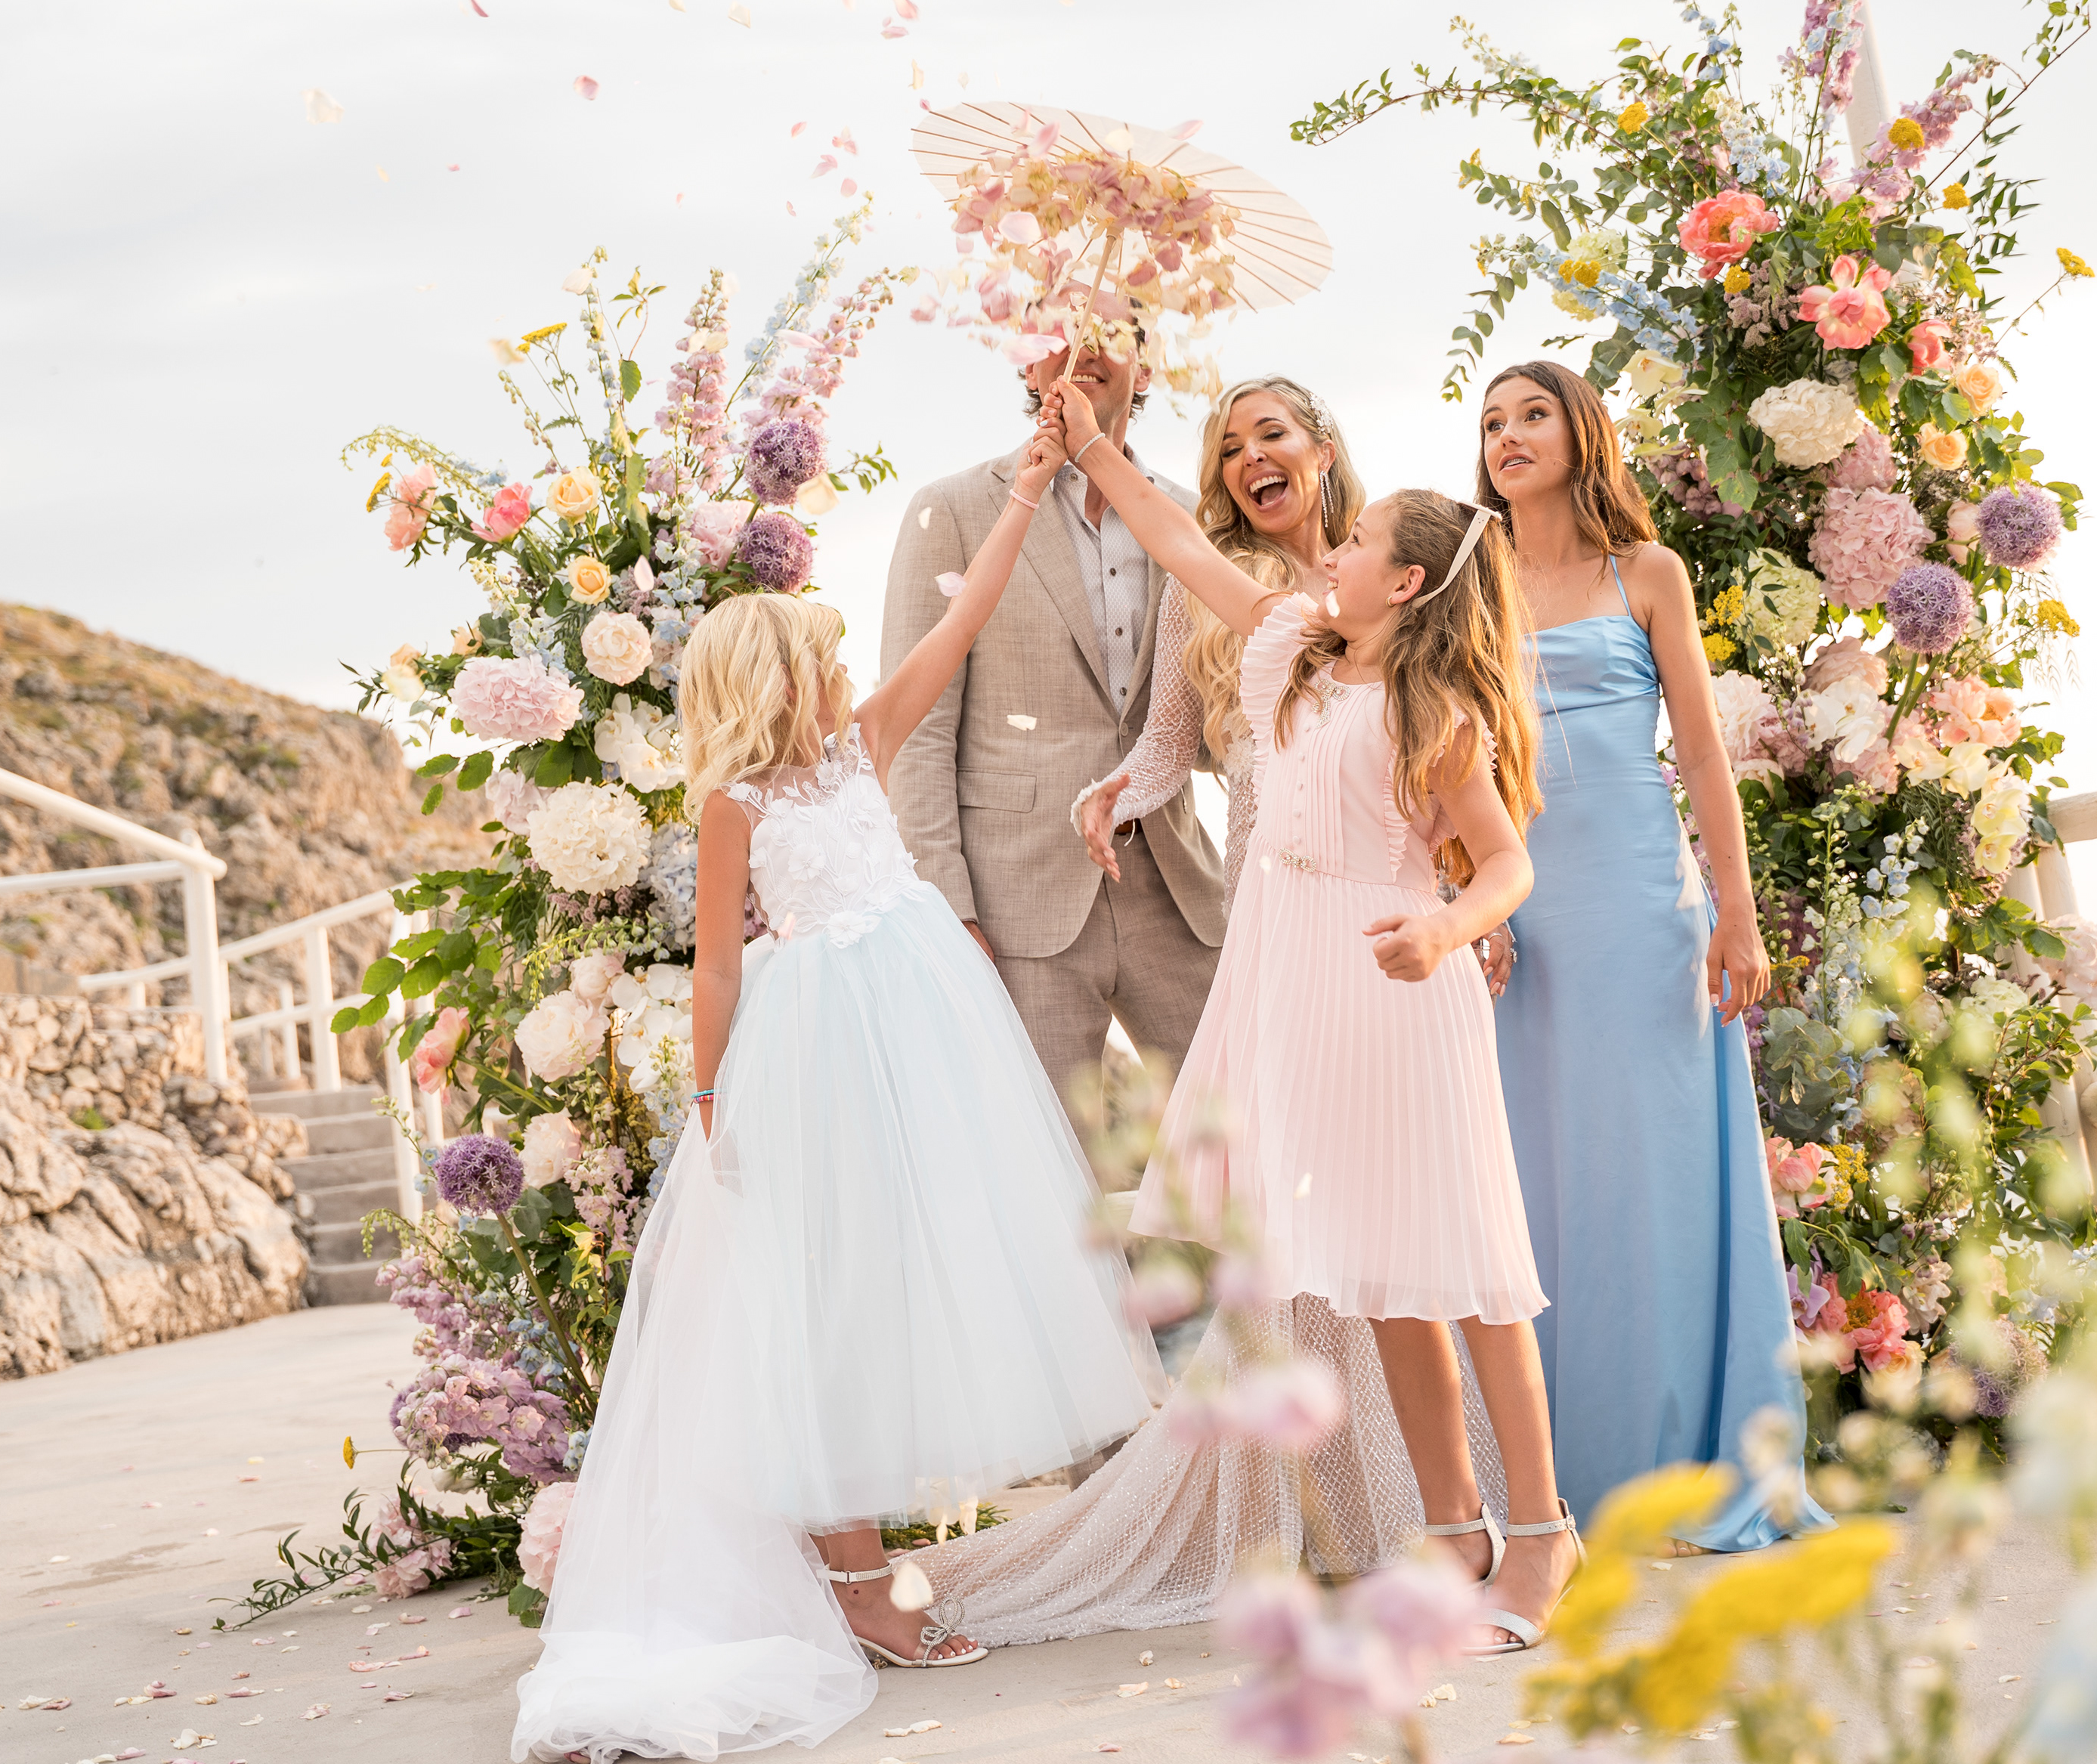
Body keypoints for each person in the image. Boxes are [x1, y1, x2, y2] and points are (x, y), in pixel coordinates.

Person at [512, 419, 1164, 1763]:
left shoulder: (865, 745)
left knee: (931, 1268)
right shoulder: (734, 806)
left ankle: (873, 1566)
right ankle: (861, 1583)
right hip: (815, 1047)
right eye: (824, 658)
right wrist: (708, 1100)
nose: (849, 671)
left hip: (923, 1029)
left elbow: (961, 625)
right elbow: (716, 966)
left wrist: (1023, 493)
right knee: (830, 1293)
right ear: (777, 682)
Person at [1035, 378, 1582, 1655]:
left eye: (1359, 544)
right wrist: (1094, 448)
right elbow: (1180, 544)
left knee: (1471, 1278)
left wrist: (1447, 927)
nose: (1332, 555)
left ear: (1404, 585)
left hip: (1398, 998)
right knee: (1382, 1284)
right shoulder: (1287, 651)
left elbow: (1507, 864)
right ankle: (1451, 1533)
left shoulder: (1437, 716)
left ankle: (1541, 1534)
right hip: (1290, 989)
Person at [1474, 359, 1829, 1552]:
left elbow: (1705, 755)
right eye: (1492, 421)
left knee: (1657, 1176)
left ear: (1583, 433)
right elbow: (1448, 754)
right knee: (1539, 1180)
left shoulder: (1649, 572)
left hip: (1639, 903)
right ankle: (1555, 1477)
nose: (1509, 435)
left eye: (1533, 414)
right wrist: (1471, 902)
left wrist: (1737, 912)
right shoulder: (1473, 582)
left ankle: (1678, 1460)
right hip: (1522, 916)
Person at [881, 327, 1225, 1101]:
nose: (1083, 347)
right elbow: (917, 731)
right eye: (1058, 329)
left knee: (1239, 1134)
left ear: (1146, 364)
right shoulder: (952, 510)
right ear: (1026, 360)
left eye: (1110, 331)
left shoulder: (1194, 516)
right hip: (1015, 905)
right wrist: (947, 909)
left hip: (1178, 891)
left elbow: (1217, 718)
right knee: (1049, 1160)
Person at [1072, 376, 1365, 912]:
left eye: (1271, 434)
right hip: (1272, 893)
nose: (1250, 456)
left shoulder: (1379, 573)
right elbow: (1168, 742)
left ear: (1324, 454)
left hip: (1387, 878)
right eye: (1230, 451)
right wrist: (1112, 798)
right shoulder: (1198, 592)